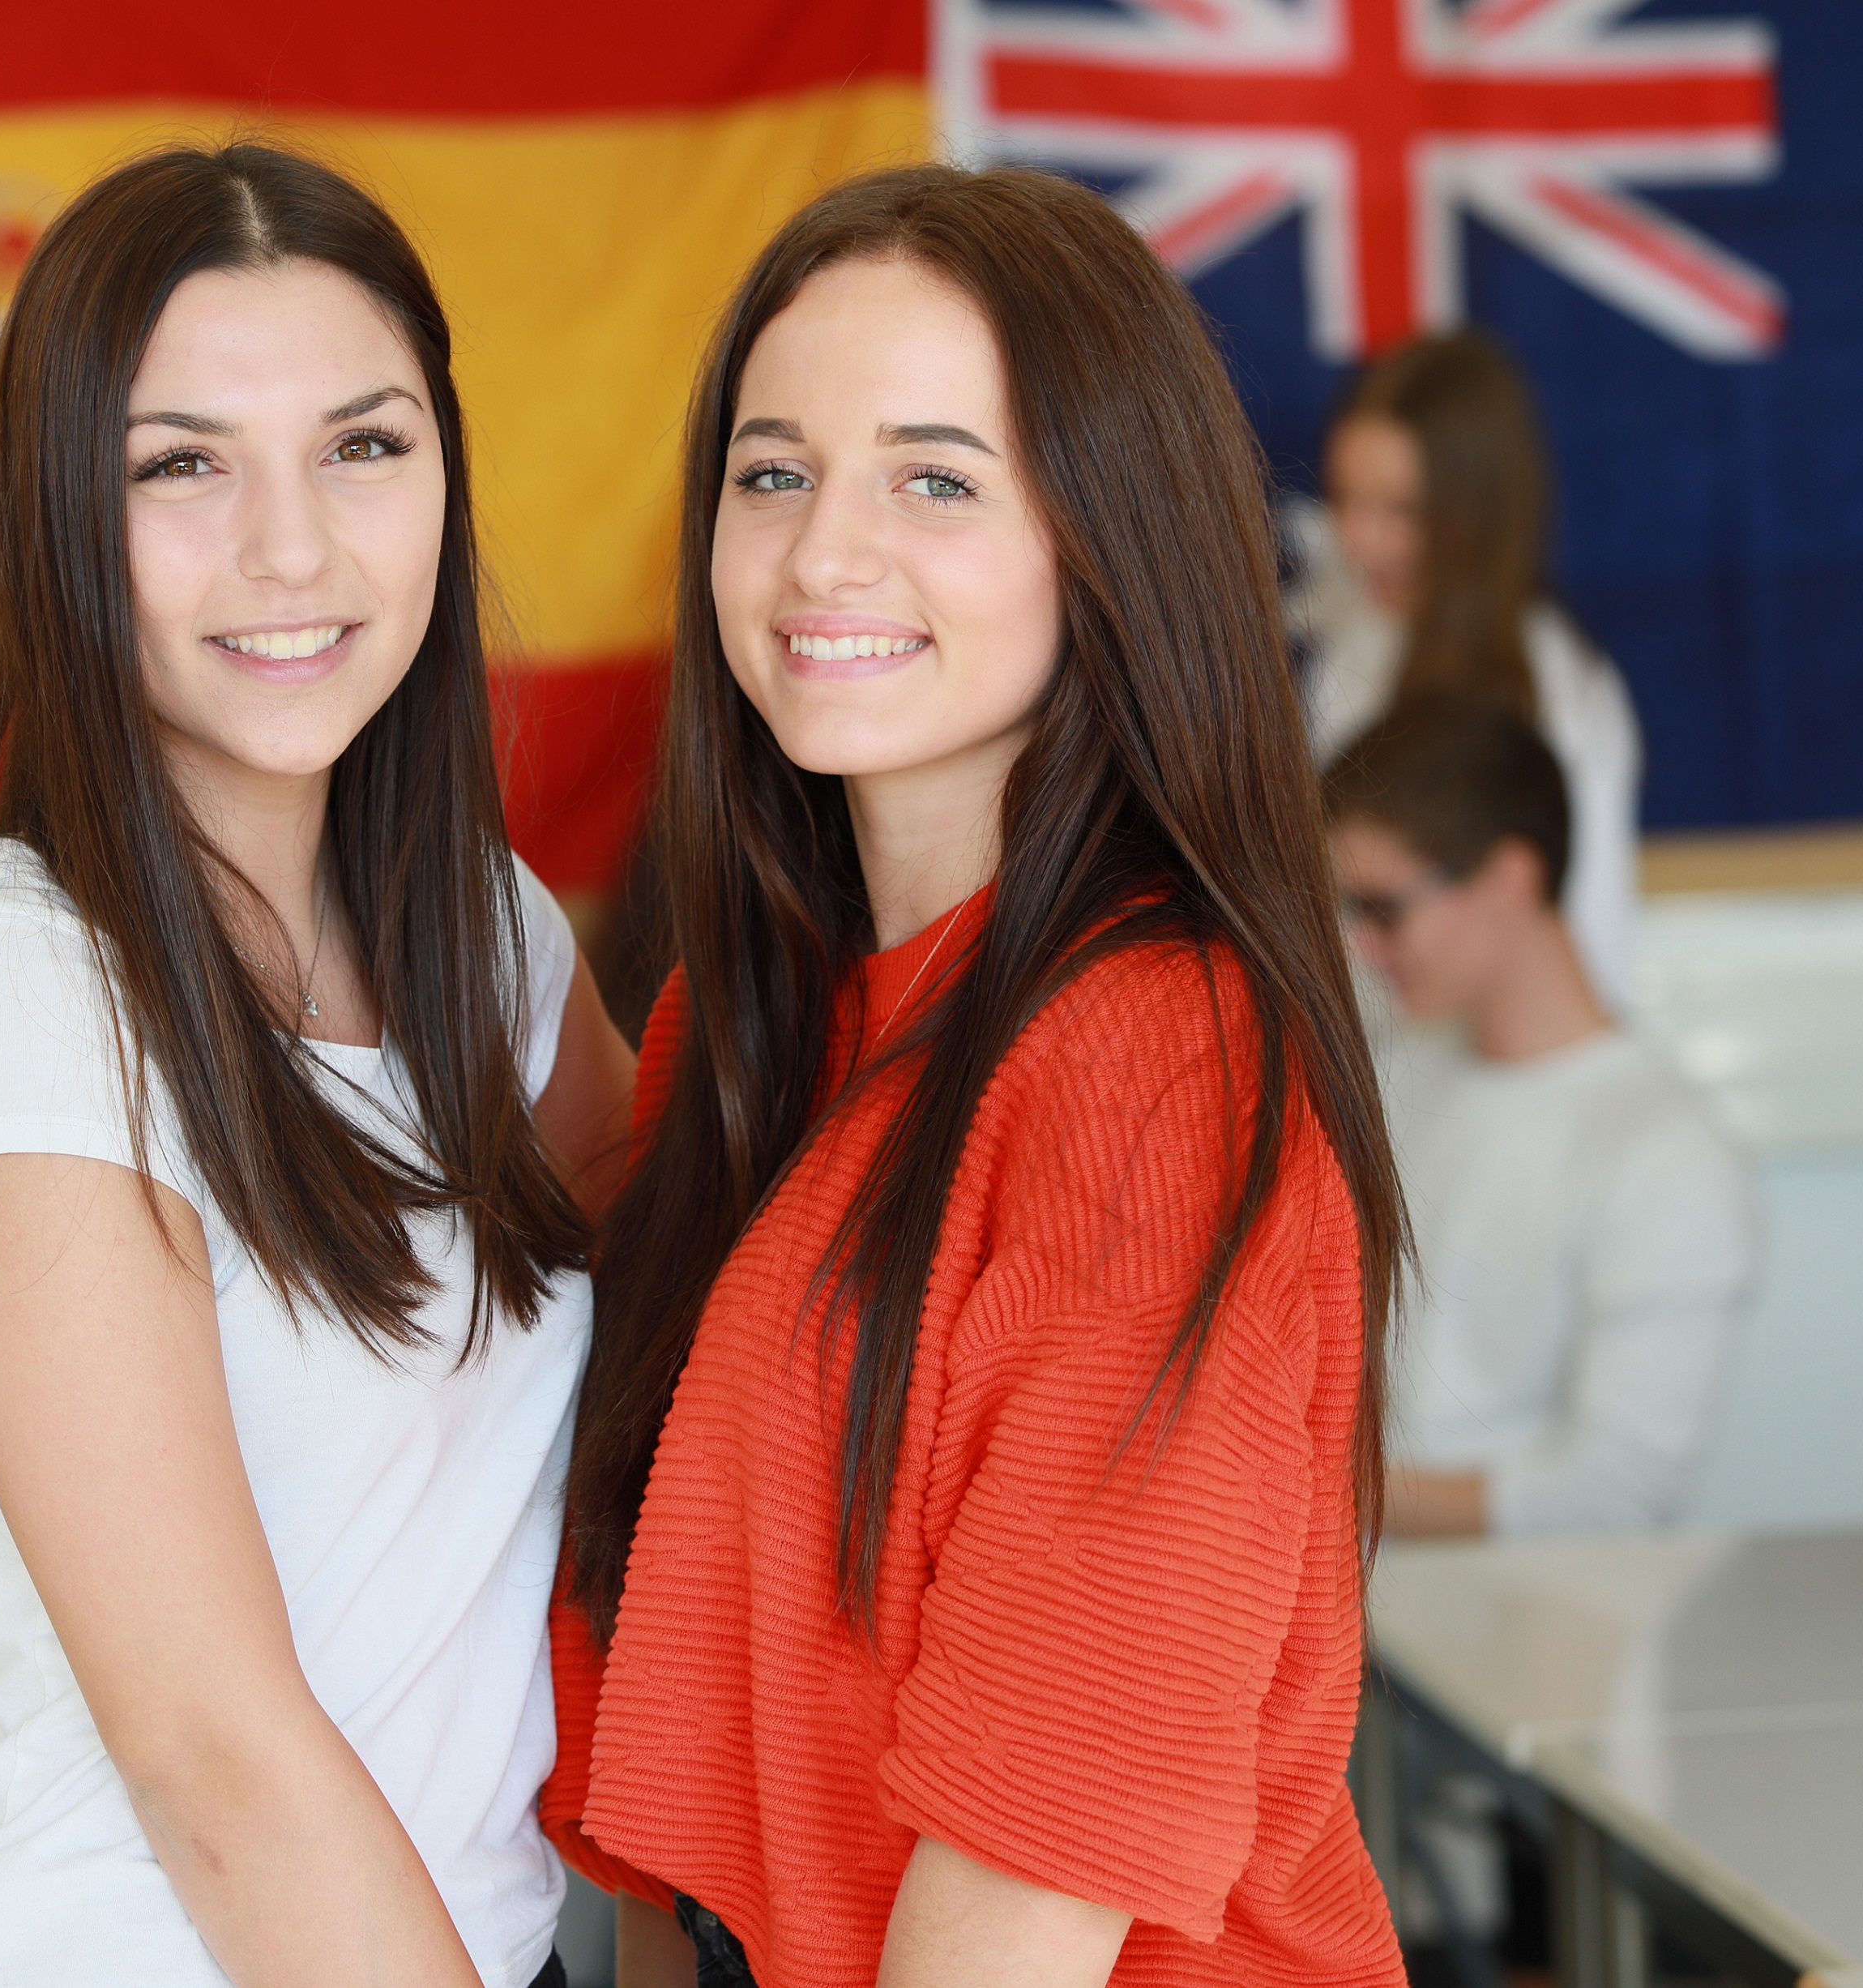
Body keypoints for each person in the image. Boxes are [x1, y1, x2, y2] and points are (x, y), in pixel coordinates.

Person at [549, 164, 1407, 1988]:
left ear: (1109, 541)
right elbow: (678, 1801)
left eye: (933, 479)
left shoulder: (1154, 1061)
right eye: (772, 473)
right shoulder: (748, 1018)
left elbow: (1035, 1859)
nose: (822, 555)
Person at [0, 142, 633, 1985]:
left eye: (363, 445)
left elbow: (699, 1338)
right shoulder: (29, 1003)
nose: (291, 547)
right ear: (54, 517)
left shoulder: (481, 931)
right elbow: (222, 1770)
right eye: (179, 464)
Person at [1325, 691, 1756, 1540]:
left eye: (1383, 909)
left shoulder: (1666, 1155)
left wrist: (1306, 1493)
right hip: (1346, 1597)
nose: (1361, 946)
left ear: (1510, 879)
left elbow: (1609, 1494)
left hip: (1524, 1617)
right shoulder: (1391, 1075)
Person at [1288, 331, 1644, 1012]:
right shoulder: (1352, 642)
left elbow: (1587, 955)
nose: (1360, 540)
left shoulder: (1556, 693)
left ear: (1477, 515)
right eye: (1346, 499)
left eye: (1400, 510)